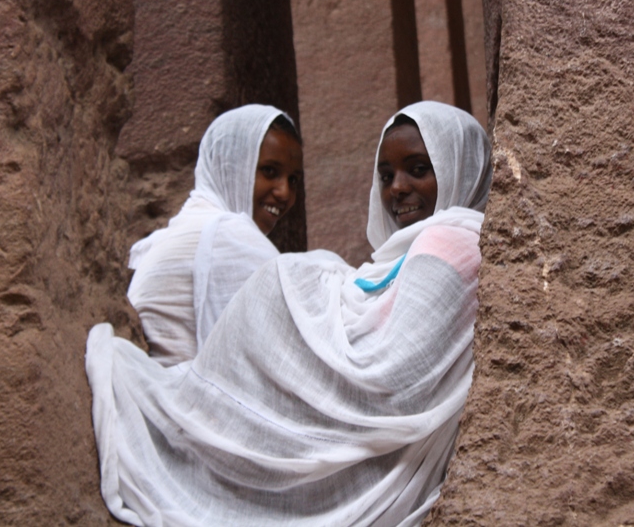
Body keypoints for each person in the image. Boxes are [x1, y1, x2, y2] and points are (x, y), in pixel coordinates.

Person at [85, 101, 492, 526]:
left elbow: (391, 374)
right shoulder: (228, 234)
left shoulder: (446, 241)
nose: (396, 188)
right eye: (386, 176)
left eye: (418, 169)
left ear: (460, 167)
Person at [125, 104, 302, 365]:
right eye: (269, 172)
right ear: (231, 166)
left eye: (293, 180)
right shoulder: (226, 234)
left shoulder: (187, 227)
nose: (284, 192)